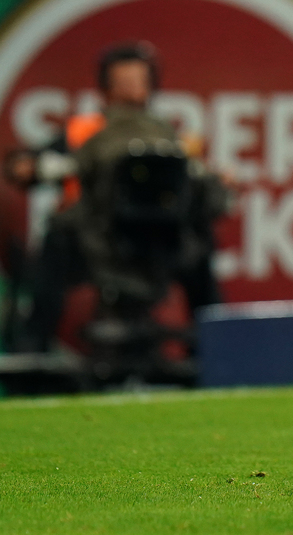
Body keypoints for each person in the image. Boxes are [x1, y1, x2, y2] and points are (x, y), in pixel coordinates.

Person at [14, 43, 227, 352]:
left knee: (200, 247)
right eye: (122, 81)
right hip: (97, 242)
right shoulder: (85, 133)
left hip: (158, 244)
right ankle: (32, 349)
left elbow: (202, 189)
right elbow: (32, 165)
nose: (131, 89)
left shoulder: (167, 136)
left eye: (138, 81)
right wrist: (26, 166)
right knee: (57, 238)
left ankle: (216, 349)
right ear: (105, 89)